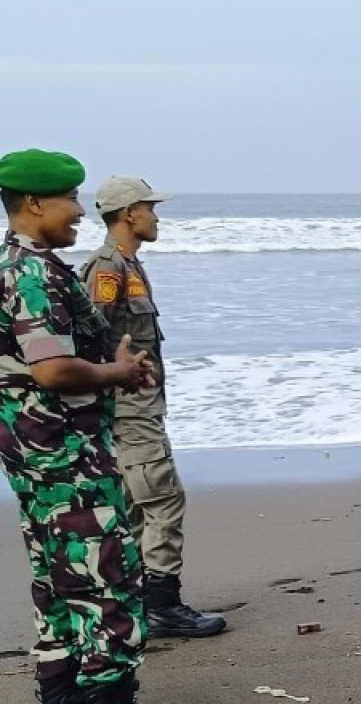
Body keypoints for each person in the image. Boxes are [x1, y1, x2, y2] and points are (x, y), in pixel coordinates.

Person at [0, 149, 153, 704]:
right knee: (110, 588)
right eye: (68, 199)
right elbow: (53, 369)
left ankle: (61, 693)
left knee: (60, 592)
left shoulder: (18, 265)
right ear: (33, 203)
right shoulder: (32, 272)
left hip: (39, 460)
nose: (78, 211)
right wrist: (117, 370)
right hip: (68, 461)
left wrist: (114, 368)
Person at [78, 175, 227, 639]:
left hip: (137, 404)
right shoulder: (108, 268)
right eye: (148, 207)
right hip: (129, 408)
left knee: (139, 504)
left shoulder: (129, 265)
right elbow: (91, 335)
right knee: (162, 500)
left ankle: (139, 601)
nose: (155, 215)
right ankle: (162, 604)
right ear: (128, 214)